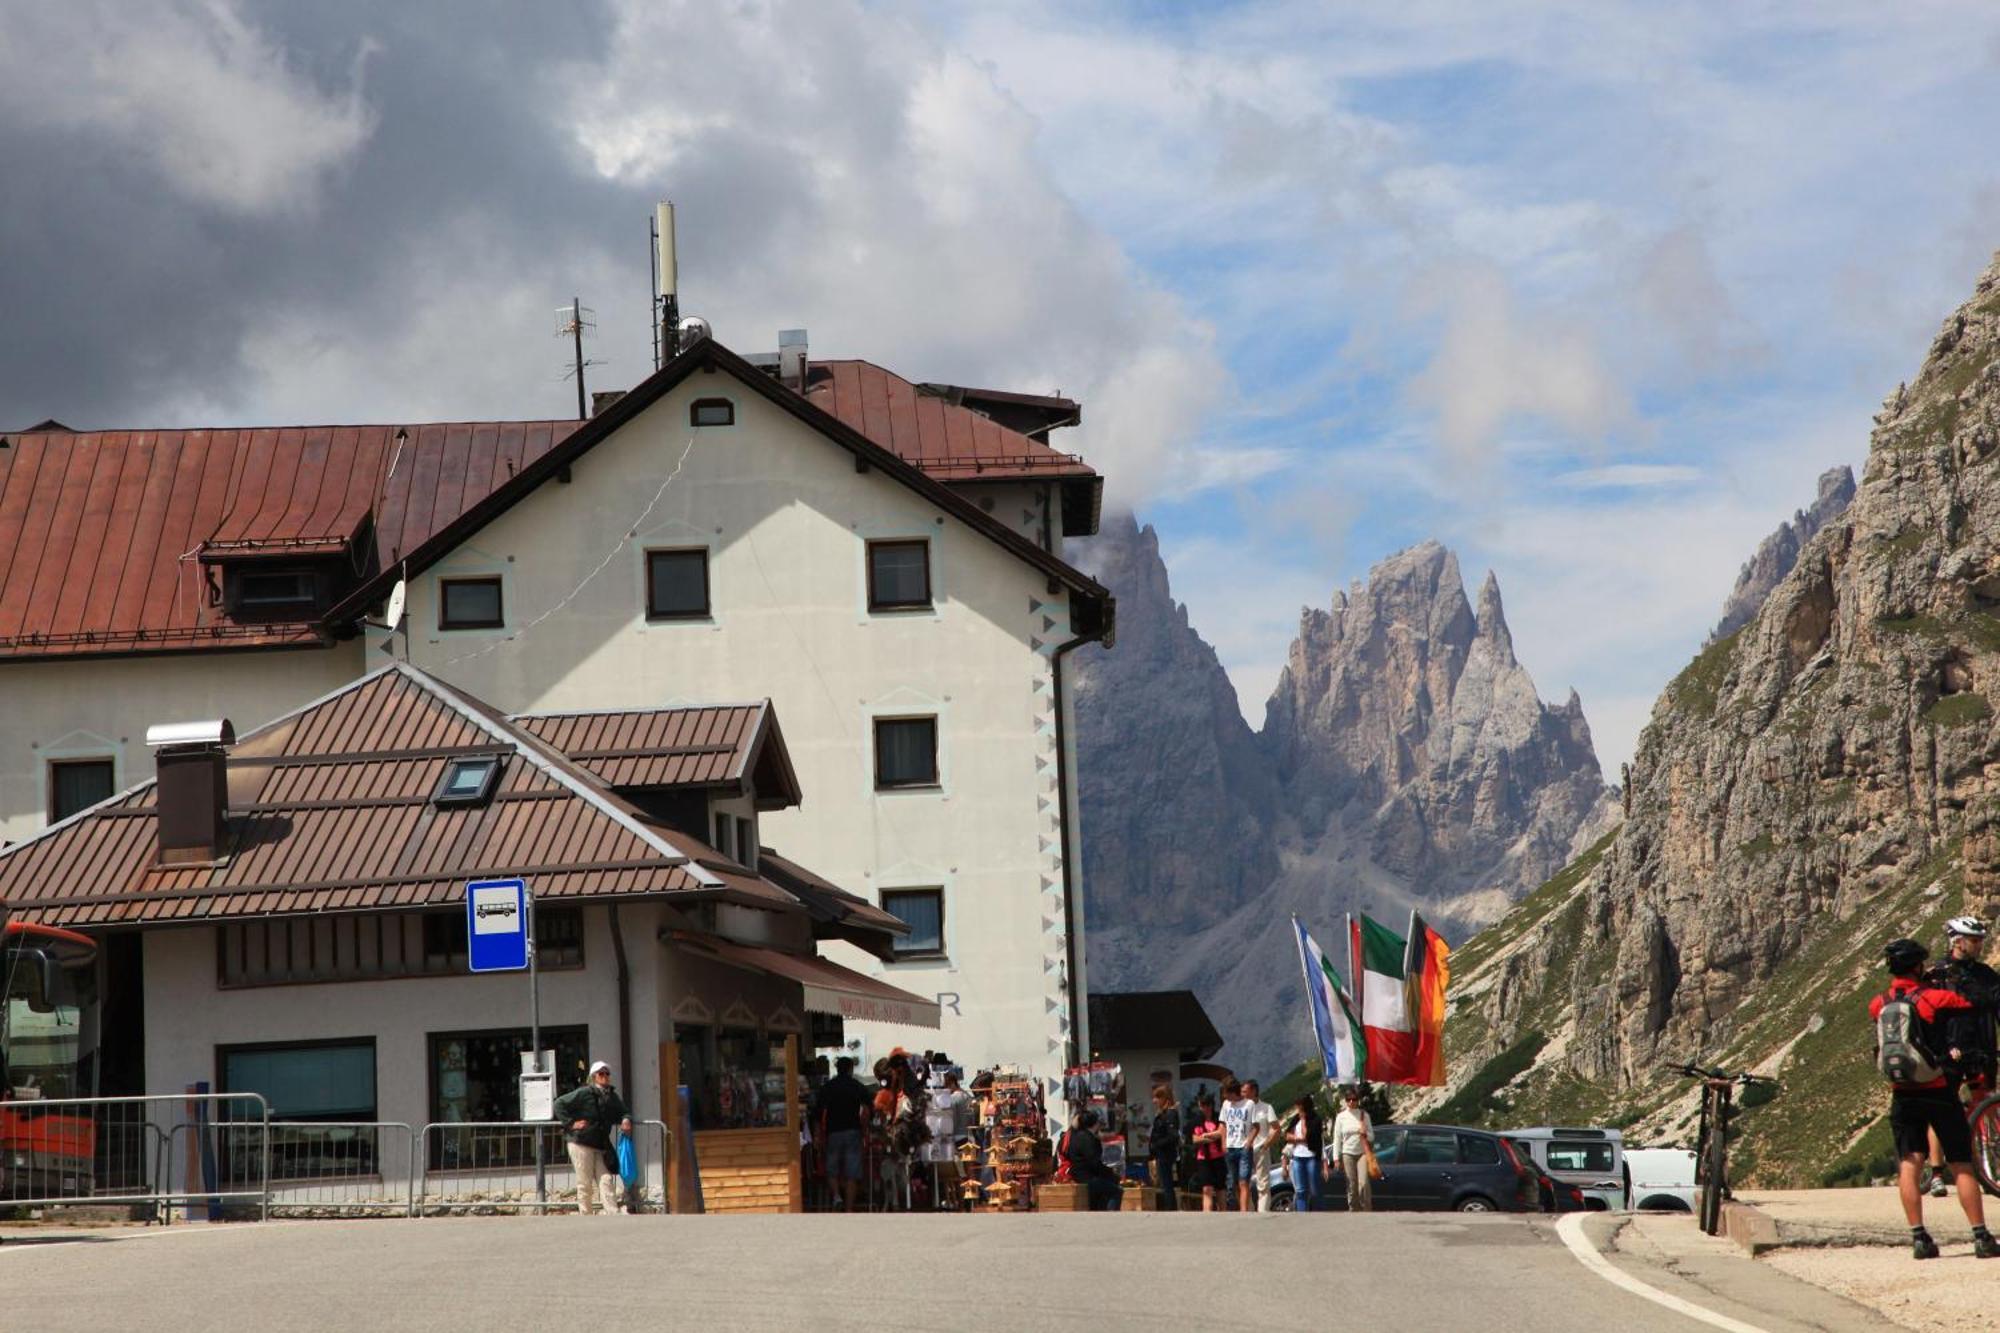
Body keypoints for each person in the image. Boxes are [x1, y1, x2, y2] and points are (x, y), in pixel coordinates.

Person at [1870, 937, 1997, 1259]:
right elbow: (1972, 1005)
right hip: (1938, 1089)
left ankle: (1919, 1238)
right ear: (1917, 966)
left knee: (1909, 1163)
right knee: (1962, 1164)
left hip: (1902, 1093)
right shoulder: (1934, 998)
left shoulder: (1879, 1002)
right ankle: (1981, 1236)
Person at [1925, 917, 2000, 1195]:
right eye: (1974, 940)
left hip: (1983, 1049)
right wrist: (1942, 1046)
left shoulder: (1987, 975)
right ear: (1957, 941)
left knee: (1986, 1103)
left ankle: (1985, 1166)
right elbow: (1929, 1016)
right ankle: (1935, 1172)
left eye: (1980, 940)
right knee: (1943, 1108)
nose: (1979, 945)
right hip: (1951, 1052)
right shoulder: (1938, 975)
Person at [553, 1059, 631, 1216]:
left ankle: (612, 1212)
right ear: (594, 1076)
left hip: (600, 1143)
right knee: (585, 1182)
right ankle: (585, 1215)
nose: (605, 1077)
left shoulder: (611, 1096)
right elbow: (559, 1103)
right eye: (601, 1074)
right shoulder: (585, 1092)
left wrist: (625, 1119)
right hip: (581, 1142)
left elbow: (624, 1111)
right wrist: (571, 1123)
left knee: (606, 1179)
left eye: (607, 1074)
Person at [812, 1055, 868, 1212]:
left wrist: (817, 1135)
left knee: (831, 1169)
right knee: (852, 1173)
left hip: (833, 1132)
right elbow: (868, 1110)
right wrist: (865, 1131)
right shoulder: (857, 1086)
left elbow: (817, 1113)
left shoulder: (828, 1087)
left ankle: (837, 1196)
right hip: (852, 1132)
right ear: (851, 1069)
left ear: (837, 1069)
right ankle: (849, 1210)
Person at [1062, 1110, 1123, 1211]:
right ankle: (1111, 1216)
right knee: (1116, 1191)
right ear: (1094, 1124)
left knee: (1108, 1184)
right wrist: (1110, 1172)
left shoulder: (1077, 1135)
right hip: (1087, 1177)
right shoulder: (1087, 1138)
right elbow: (1094, 1162)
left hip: (1079, 1175)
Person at [1332, 1085, 1374, 1213]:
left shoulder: (1364, 1115)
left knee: (1364, 1184)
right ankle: (1353, 1210)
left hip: (1362, 1152)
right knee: (1351, 1184)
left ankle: (1367, 1210)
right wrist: (1336, 1158)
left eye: (1354, 1099)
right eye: (1348, 1099)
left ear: (1358, 1100)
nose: (1351, 1102)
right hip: (1347, 1153)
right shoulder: (1341, 1117)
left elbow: (1372, 1136)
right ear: (1345, 1100)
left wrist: (1365, 1132)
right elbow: (1337, 1138)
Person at [1218, 1078, 1255, 1213]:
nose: (1224, 1096)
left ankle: (1244, 1211)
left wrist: (1249, 1142)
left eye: (1225, 1093)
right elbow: (1223, 1124)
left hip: (1244, 1147)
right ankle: (1241, 1207)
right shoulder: (1226, 1105)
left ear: (1232, 1092)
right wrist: (1223, 1143)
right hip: (1230, 1147)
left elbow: (1255, 1126)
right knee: (1233, 1182)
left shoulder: (1249, 1104)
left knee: (1243, 1181)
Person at [1284, 1096, 1324, 1213]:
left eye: (1299, 1106)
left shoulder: (1315, 1119)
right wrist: (1297, 1138)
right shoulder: (1296, 1118)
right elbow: (1287, 1135)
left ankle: (1319, 1212)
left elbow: (1308, 1136)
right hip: (1297, 1157)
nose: (1298, 1110)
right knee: (1300, 1189)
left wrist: (1304, 1121)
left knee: (1314, 1189)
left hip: (1311, 1157)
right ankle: (1302, 1214)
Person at [1243, 1079, 1277, 1213]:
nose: (1242, 1094)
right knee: (1244, 1182)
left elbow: (1276, 1128)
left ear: (1253, 1091)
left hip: (1261, 1149)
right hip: (1245, 1149)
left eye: (1245, 1091)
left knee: (1263, 1184)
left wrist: (1267, 1144)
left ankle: (1262, 1212)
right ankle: (1249, 1211)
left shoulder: (1266, 1107)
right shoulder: (1242, 1108)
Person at [1147, 1083, 1181, 1211]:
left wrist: (1157, 1144)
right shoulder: (1162, 1114)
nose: (1154, 1101)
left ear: (1163, 1098)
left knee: (1167, 1184)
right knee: (1164, 1183)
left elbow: (1173, 1136)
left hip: (1166, 1153)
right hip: (1160, 1153)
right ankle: (1169, 1207)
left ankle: (1170, 1209)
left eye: (1156, 1098)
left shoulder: (1170, 1114)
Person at [1189, 1094, 1225, 1212]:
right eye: (1203, 1105)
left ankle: (1223, 1212)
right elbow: (1195, 1139)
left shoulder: (1218, 1118)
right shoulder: (1196, 1121)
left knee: (1220, 1188)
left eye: (1208, 1104)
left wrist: (1204, 1137)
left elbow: (1221, 1133)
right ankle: (1207, 1213)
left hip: (1218, 1157)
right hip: (1203, 1158)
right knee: (1206, 1188)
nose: (1206, 1108)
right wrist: (1211, 1137)